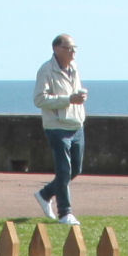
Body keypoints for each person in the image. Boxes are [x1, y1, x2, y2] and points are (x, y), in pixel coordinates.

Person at [32, 34, 86, 226]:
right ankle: (65, 213)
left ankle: (45, 194)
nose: (73, 52)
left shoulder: (74, 68)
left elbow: (73, 93)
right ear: (56, 49)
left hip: (76, 124)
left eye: (74, 48)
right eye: (68, 48)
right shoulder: (46, 70)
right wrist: (68, 100)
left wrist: (79, 98)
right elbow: (39, 99)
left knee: (75, 169)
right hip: (56, 126)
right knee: (64, 170)